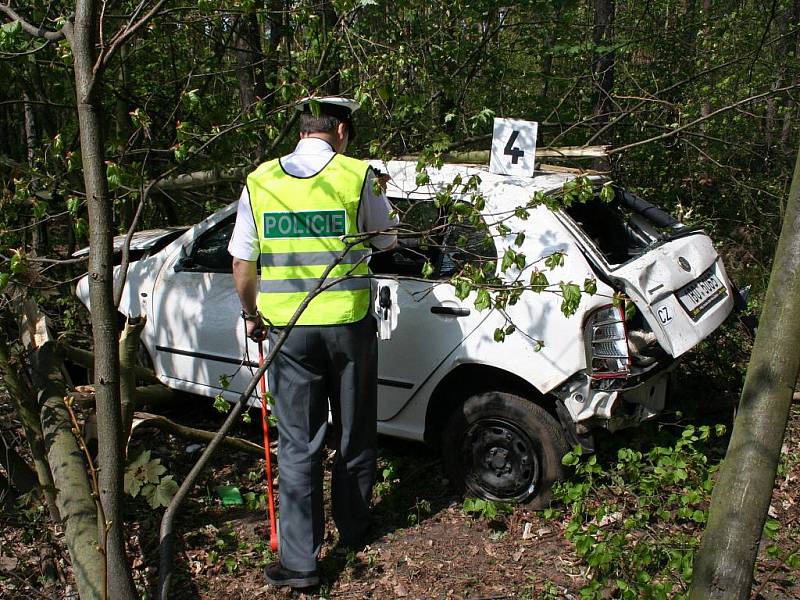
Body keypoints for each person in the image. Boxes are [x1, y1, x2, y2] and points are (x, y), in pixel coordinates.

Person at [228, 96, 397, 589]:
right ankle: (354, 529)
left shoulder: (261, 181)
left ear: (303, 130)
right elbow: (386, 239)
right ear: (341, 130)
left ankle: (301, 562)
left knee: (299, 446)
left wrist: (251, 315)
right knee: (353, 433)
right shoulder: (357, 175)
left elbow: (242, 264)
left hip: (289, 333)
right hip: (348, 326)